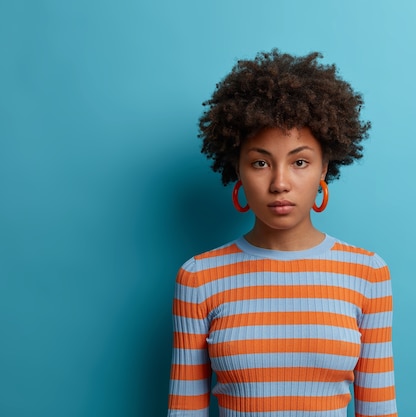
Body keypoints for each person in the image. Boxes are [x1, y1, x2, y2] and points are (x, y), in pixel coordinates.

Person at [167, 49, 397, 417]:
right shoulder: (198, 278)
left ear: (325, 166)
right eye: (260, 163)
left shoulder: (368, 274)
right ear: (237, 170)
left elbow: (379, 410)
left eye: (300, 162)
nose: (279, 183)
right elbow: (185, 411)